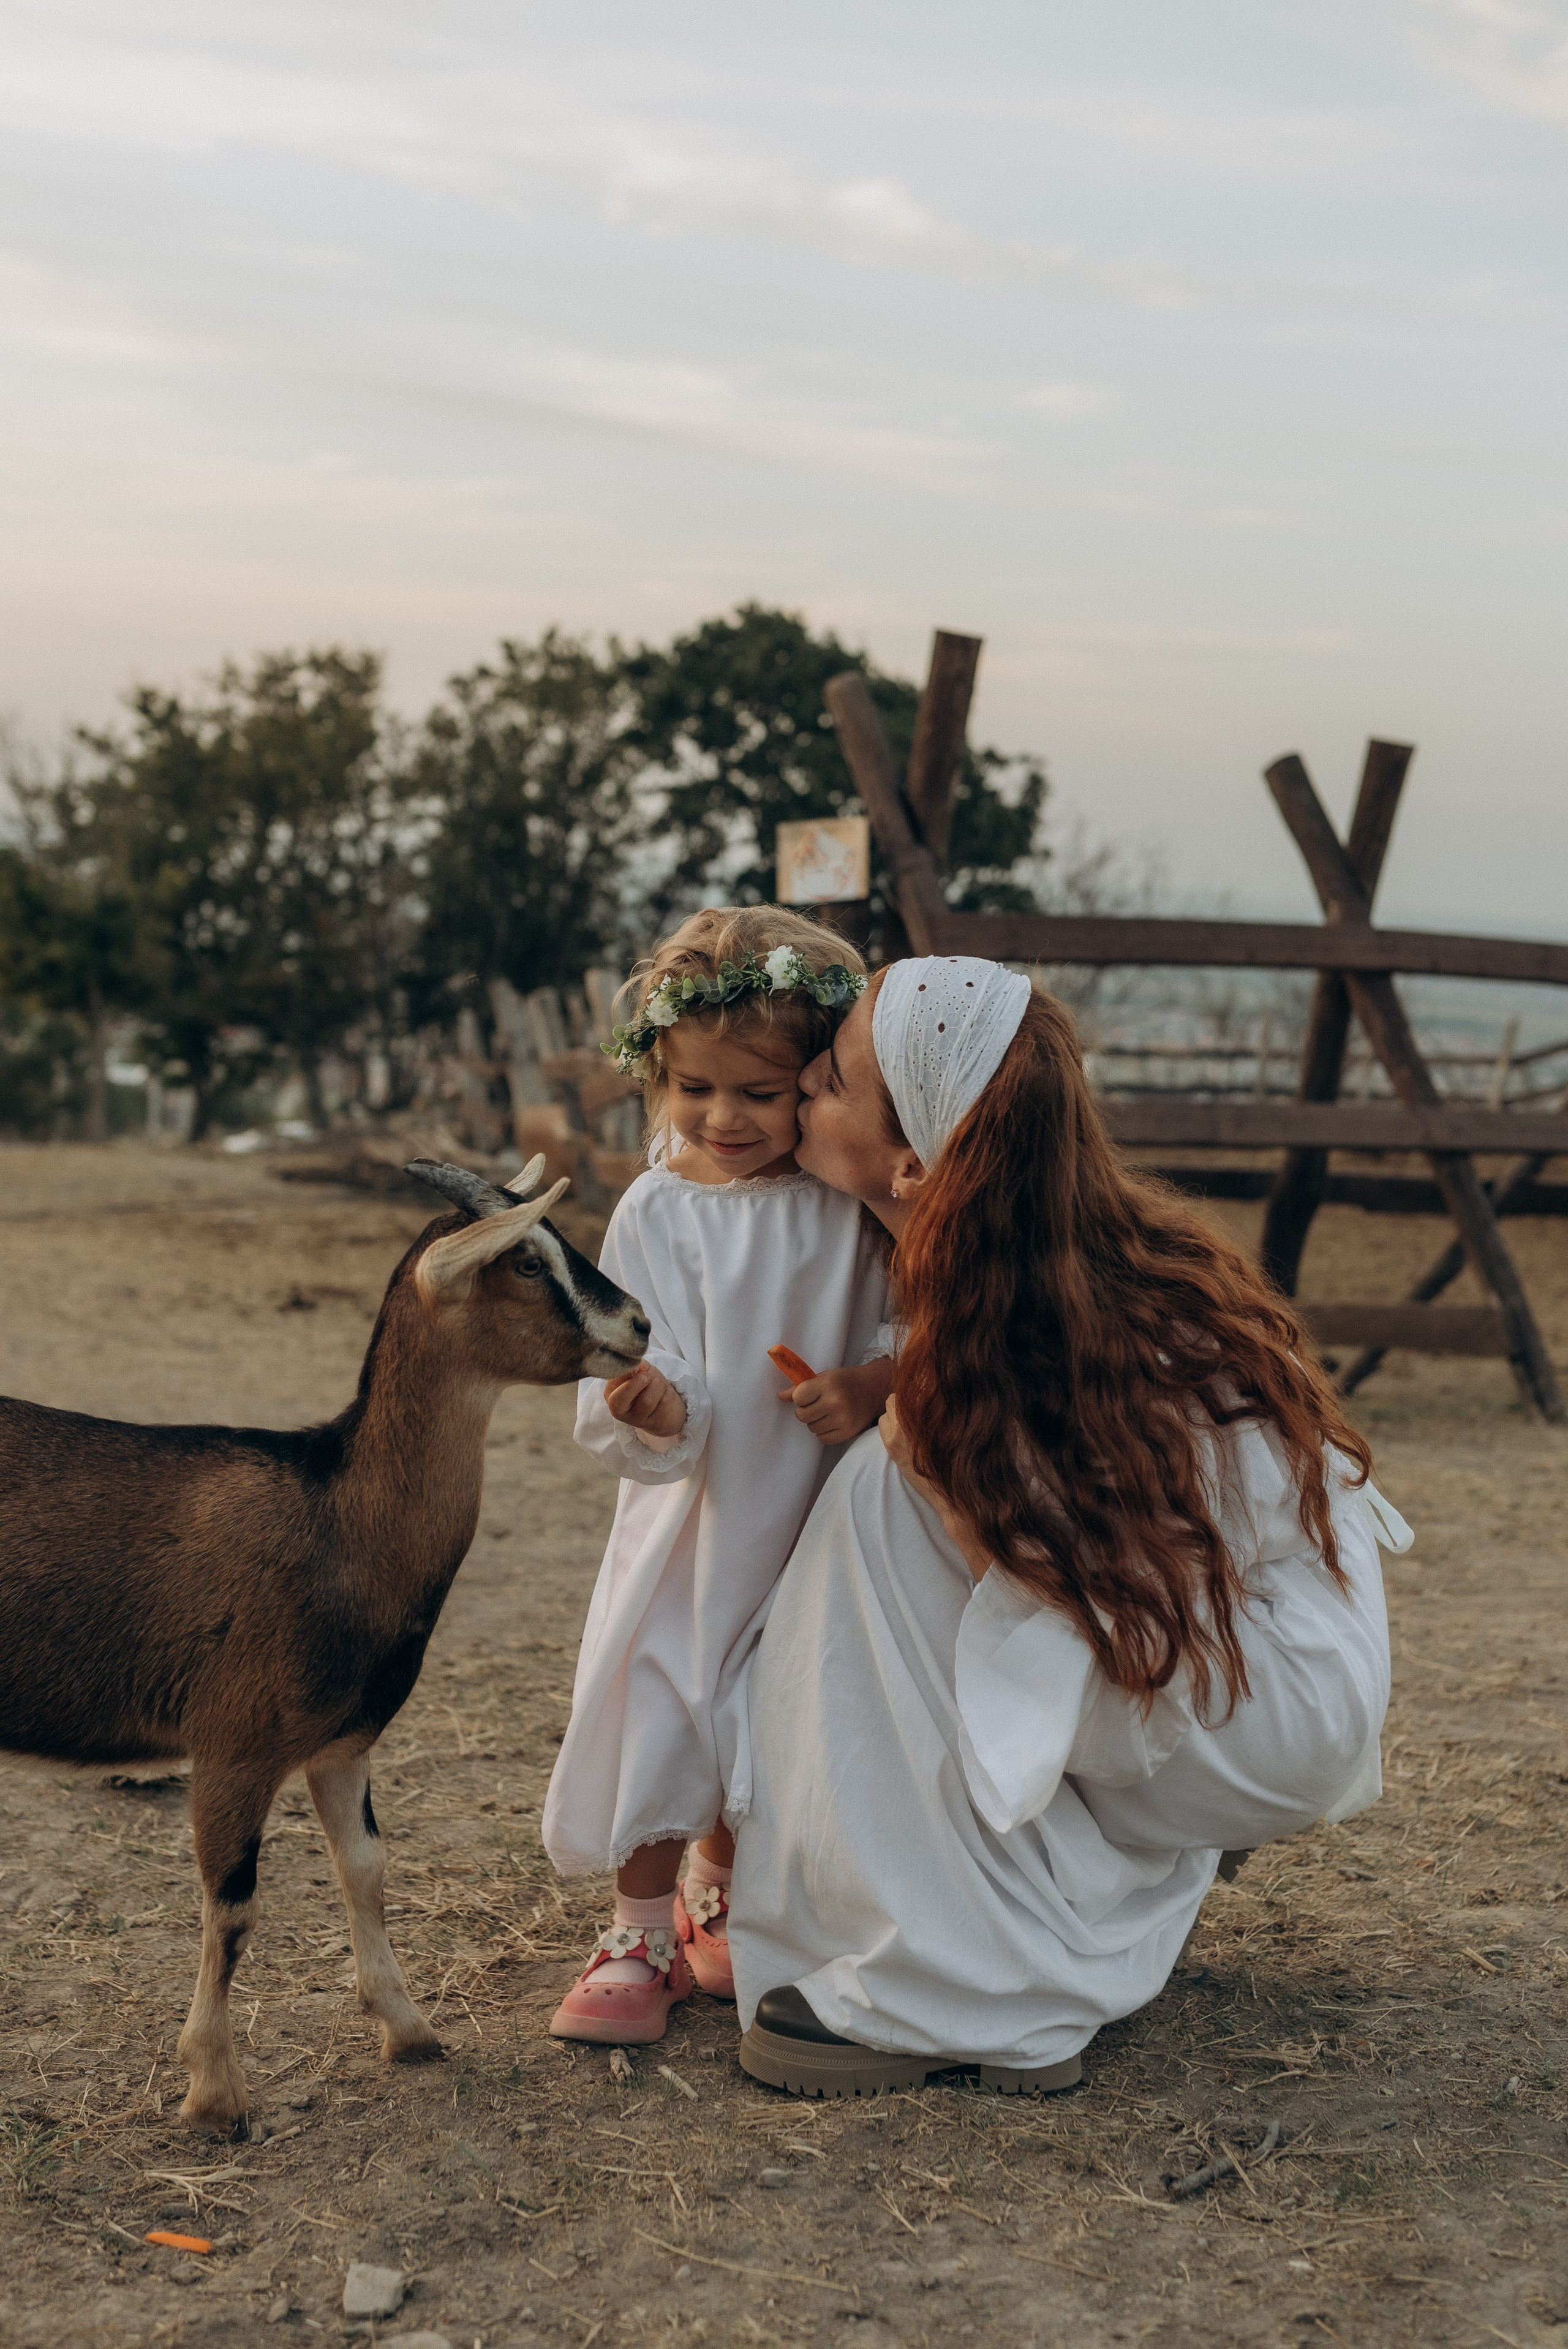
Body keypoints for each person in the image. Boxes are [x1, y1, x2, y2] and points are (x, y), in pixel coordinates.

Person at [726, 956, 1411, 2097]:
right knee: (912, 1494)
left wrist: (914, 1447)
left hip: (1257, 1699)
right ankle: (1084, 1874)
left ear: (912, 1159)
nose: (800, 1080)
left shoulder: (997, 1342)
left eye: (833, 1076)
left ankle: (953, 1984)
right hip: (1290, 1660)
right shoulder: (1072, 1249)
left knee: (880, 1506)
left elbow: (1069, 1609)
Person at [543, 907, 897, 2045]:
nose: (724, 1118)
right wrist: (653, 1404)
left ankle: (723, 1888)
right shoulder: (658, 1209)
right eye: (696, 1089)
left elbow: (915, 1326)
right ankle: (638, 1927)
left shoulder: (852, 1210)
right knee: (669, 1693)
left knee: (773, 1708)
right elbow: (631, 1355)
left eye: (760, 1092)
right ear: (659, 1075)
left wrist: (873, 1388)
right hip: (695, 1517)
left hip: (815, 1508)